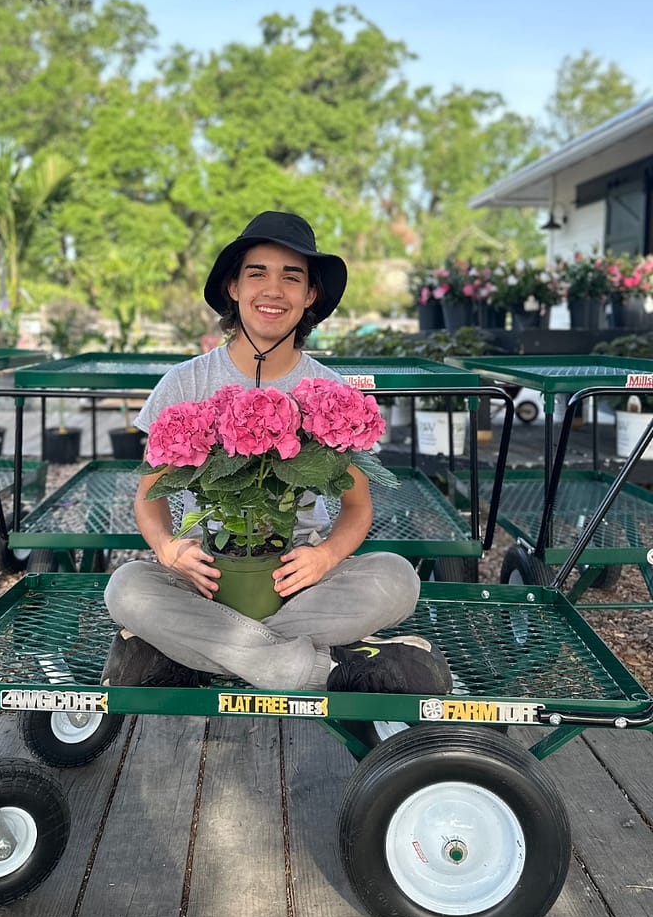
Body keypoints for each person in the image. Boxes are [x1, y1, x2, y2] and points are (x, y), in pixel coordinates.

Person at [102, 210, 451, 695]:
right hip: (206, 581)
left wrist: (326, 557)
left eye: (292, 277)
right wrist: (168, 549)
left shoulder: (329, 390)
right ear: (233, 288)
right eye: (257, 273)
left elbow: (357, 507)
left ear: (310, 295)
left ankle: (190, 653)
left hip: (300, 585)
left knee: (397, 579)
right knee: (127, 588)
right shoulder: (185, 383)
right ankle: (327, 672)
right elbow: (149, 496)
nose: (273, 290)